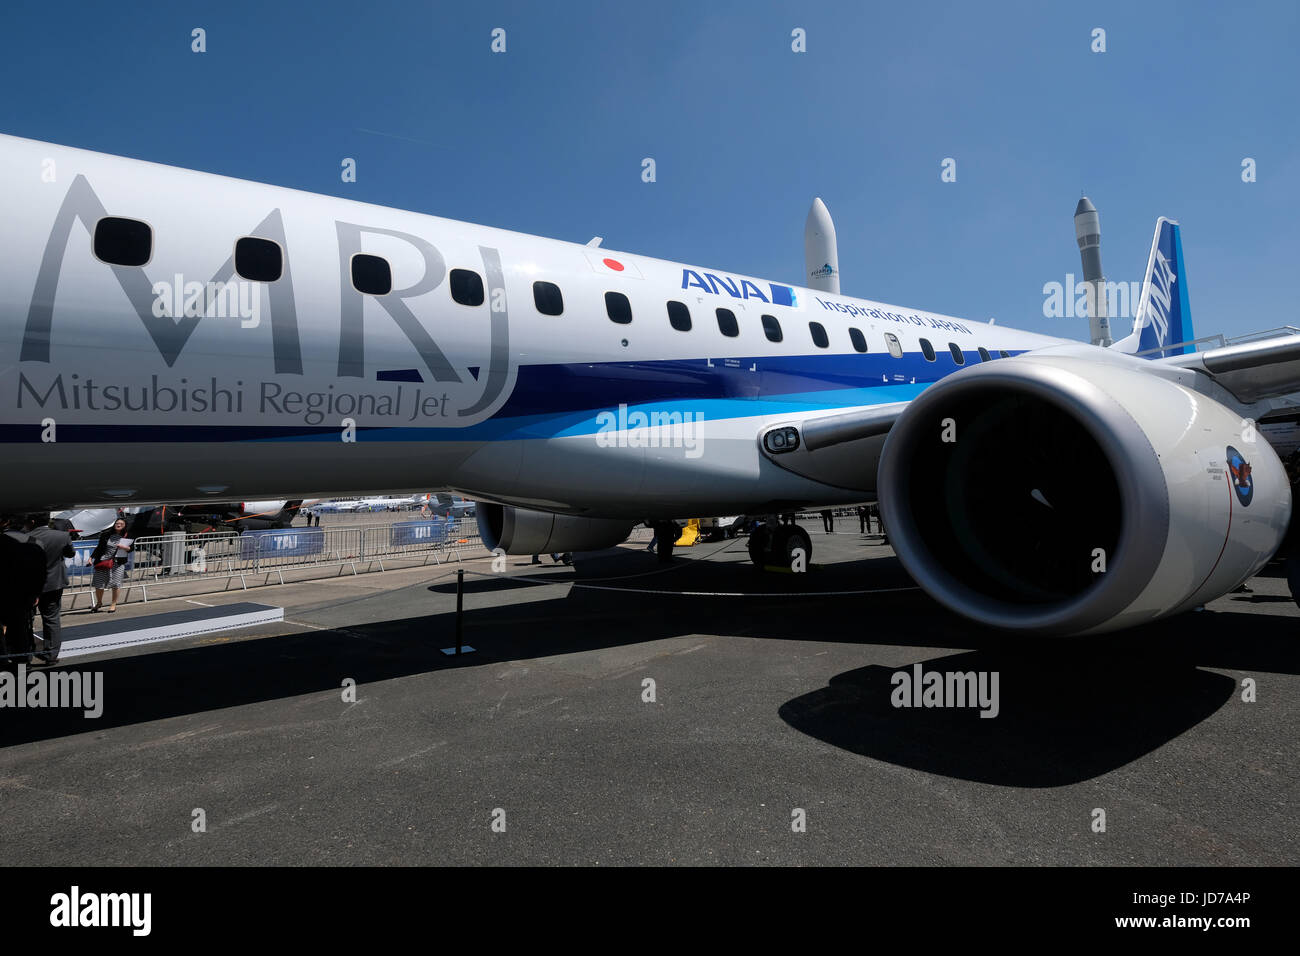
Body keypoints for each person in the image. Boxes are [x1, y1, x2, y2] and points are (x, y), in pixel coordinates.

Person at [25, 512, 76, 665]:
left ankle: (26, 653)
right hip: (54, 583)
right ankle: (51, 655)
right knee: (52, 619)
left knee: (27, 619)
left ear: (32, 521)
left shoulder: (26, 537)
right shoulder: (61, 536)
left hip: (31, 584)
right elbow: (70, 553)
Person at [0, 514, 46, 665]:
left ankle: (2, 660)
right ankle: (23, 660)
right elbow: (41, 571)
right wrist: (36, 593)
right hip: (24, 593)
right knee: (21, 627)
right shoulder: (36, 542)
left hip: (3, 591)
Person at [90, 517, 133, 612]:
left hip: (118, 562)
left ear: (125, 526)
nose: (118, 525)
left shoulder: (127, 535)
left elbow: (131, 548)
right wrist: (91, 558)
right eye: (117, 523)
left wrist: (125, 547)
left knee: (116, 584)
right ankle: (99, 602)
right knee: (99, 584)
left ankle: (113, 604)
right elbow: (99, 548)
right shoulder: (106, 535)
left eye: (121, 524)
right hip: (103, 561)